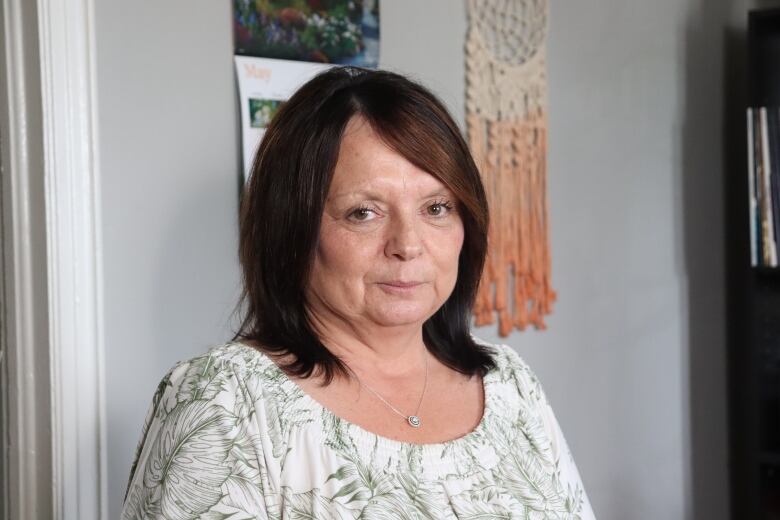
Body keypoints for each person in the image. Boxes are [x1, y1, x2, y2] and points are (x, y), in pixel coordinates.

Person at [120, 66, 596, 519]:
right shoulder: (225, 401)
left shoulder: (509, 383)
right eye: (363, 212)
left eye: (436, 207)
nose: (408, 245)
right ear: (293, 228)